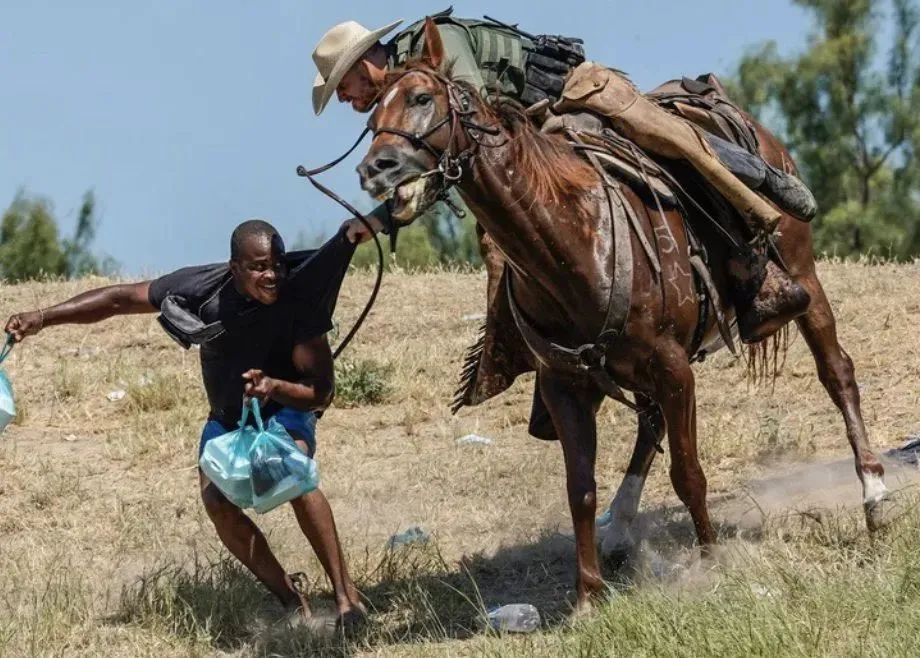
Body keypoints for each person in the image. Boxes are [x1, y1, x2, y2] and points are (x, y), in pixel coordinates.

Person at [313, 10, 817, 342]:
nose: (342, 98)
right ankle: (531, 349)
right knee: (500, 242)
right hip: (529, 140)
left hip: (570, 99)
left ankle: (755, 254)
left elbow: (472, 131)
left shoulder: (437, 45)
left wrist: (388, 212)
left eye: (343, 83)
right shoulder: (401, 101)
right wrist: (383, 215)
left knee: (670, 148)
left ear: (366, 62)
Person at [4, 220, 365, 630]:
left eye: (279, 265)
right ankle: (290, 599)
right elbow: (120, 300)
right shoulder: (201, 288)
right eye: (260, 267)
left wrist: (274, 386)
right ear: (235, 268)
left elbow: (321, 392)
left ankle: (345, 598)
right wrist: (44, 317)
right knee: (217, 504)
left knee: (293, 473)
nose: (273, 276)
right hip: (228, 420)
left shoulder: (298, 303)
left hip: (284, 408)